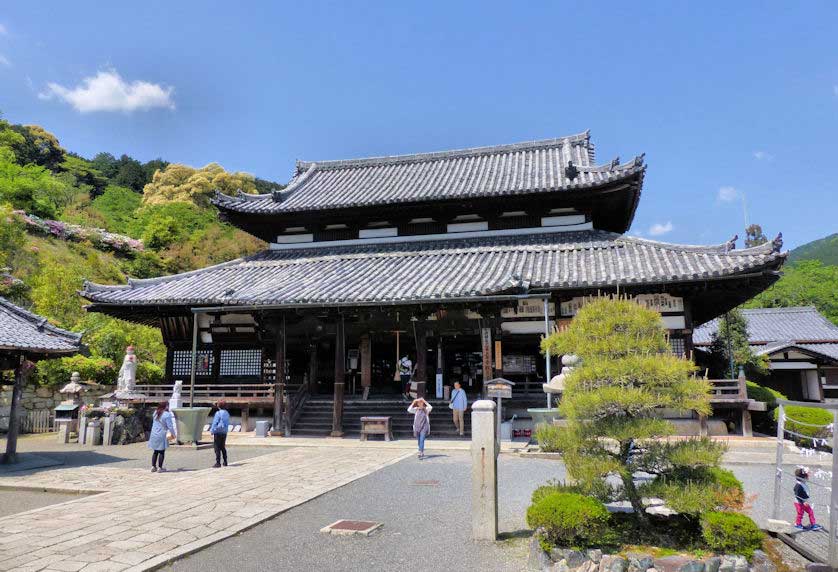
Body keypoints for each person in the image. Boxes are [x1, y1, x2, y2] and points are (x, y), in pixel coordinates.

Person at [147, 401, 176, 473]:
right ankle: (160, 467)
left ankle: (153, 466)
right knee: (162, 451)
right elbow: (170, 426)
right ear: (166, 406)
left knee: (155, 451)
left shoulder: (155, 413)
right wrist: (173, 434)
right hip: (162, 434)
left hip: (154, 434)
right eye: (168, 406)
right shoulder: (167, 414)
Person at [210, 400, 230, 468]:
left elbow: (215, 422)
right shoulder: (227, 413)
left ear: (218, 406)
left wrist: (212, 430)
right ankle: (225, 461)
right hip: (224, 431)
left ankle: (218, 462)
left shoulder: (218, 413)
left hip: (218, 431)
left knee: (217, 447)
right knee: (223, 446)